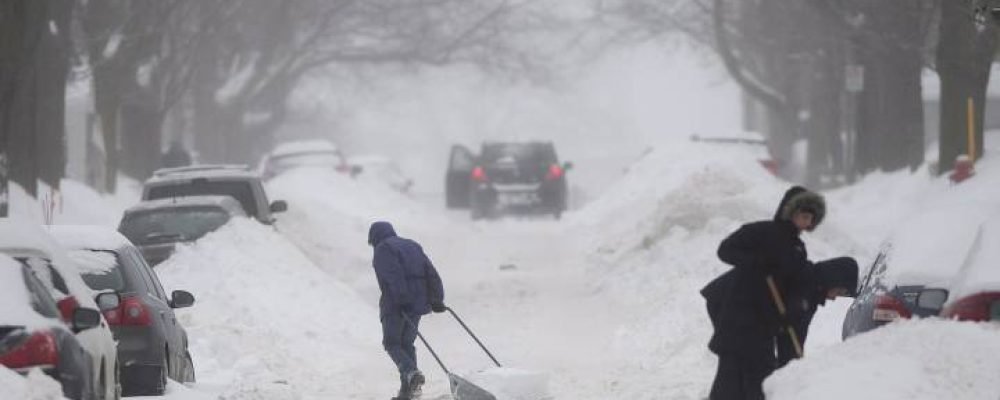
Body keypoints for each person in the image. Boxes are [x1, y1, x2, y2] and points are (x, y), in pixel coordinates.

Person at [701, 186, 826, 400]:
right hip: (740, 316)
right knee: (730, 377)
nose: (806, 222)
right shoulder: (761, 232)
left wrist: (792, 308)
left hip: (765, 324)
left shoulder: (797, 248)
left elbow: (793, 284)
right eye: (803, 215)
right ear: (790, 211)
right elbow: (726, 249)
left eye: (810, 218)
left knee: (760, 377)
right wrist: (755, 261)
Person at [368, 221, 446, 400]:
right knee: (406, 344)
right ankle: (408, 391)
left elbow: (393, 276)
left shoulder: (383, 249)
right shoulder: (412, 245)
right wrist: (436, 298)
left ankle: (411, 373)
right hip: (417, 303)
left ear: (374, 238)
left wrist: (402, 299)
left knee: (392, 343)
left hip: (397, 303)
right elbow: (430, 272)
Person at [775, 256, 858, 368]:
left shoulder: (812, 292)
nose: (834, 298)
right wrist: (791, 367)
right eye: (838, 292)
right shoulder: (804, 289)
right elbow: (790, 337)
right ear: (833, 280)